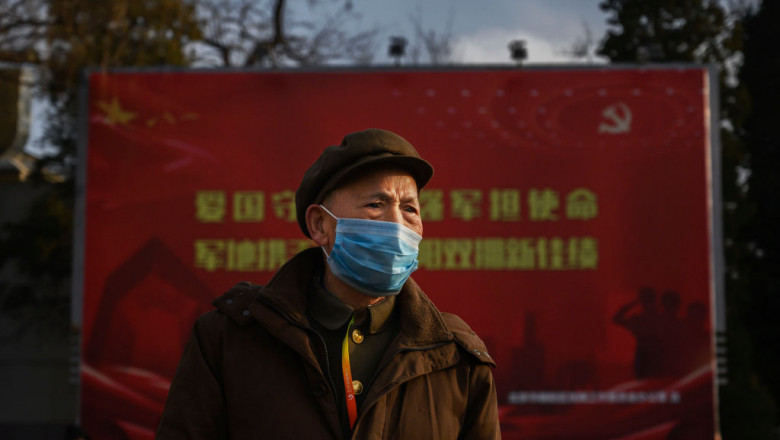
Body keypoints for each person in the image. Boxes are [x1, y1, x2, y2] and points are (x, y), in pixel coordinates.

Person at [156, 128, 500, 439]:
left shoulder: (455, 356)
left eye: (410, 209)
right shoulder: (228, 340)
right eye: (376, 204)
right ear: (320, 225)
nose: (397, 225)